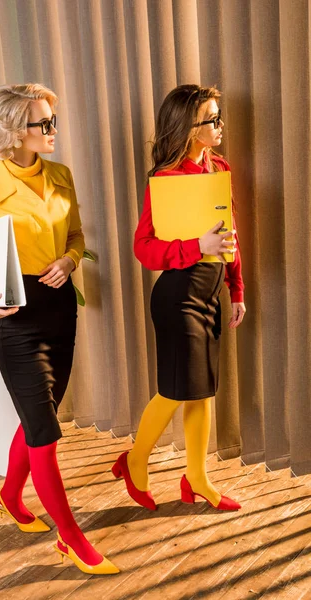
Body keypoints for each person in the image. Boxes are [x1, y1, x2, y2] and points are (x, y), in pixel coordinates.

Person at [0, 83, 118, 575]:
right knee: (45, 432)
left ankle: (9, 497)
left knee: (39, 417)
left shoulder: (62, 175)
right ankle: (70, 539)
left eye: (53, 120)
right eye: (43, 124)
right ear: (13, 132)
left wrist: (70, 261)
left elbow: (75, 234)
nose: (53, 130)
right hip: (17, 317)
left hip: (58, 305)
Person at [112, 84, 245, 512]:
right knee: (174, 390)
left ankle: (197, 480)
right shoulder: (165, 180)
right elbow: (143, 248)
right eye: (212, 118)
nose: (220, 125)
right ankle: (134, 461)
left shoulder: (218, 168)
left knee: (202, 391)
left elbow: (230, 237)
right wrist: (195, 247)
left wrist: (236, 288)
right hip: (176, 295)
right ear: (189, 128)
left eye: (218, 116)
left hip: (210, 293)